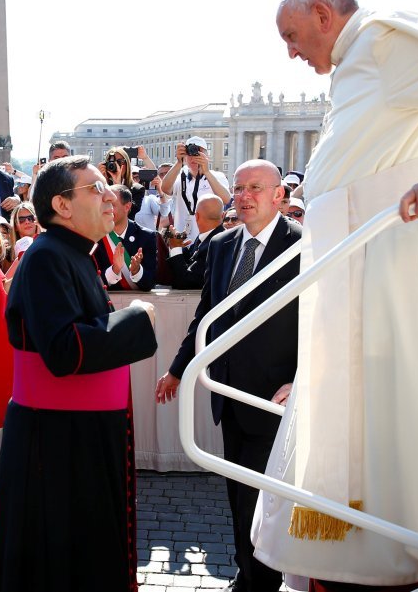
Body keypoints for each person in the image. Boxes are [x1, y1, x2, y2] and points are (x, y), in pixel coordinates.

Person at [251, 1, 418, 590]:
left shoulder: (379, 39)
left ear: (323, 14)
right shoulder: (355, 59)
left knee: (392, 401)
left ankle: (393, 551)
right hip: (353, 273)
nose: (290, 51)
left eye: (292, 35)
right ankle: (356, 548)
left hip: (389, 268)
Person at [0, 156, 157, 592]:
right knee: (60, 560)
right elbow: (64, 350)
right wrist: (137, 319)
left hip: (78, 434)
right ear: (62, 206)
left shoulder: (73, 253)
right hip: (58, 443)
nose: (110, 196)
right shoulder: (47, 257)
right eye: (96, 187)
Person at [156, 160, 302, 592]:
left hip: (275, 398)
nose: (244, 195)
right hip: (227, 394)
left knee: (262, 498)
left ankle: (261, 581)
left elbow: (322, 320)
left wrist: (302, 378)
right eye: (238, 187)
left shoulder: (304, 246)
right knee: (238, 496)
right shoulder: (221, 245)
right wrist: (178, 369)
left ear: (279, 195)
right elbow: (208, 317)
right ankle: (248, 572)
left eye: (255, 187)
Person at [161, 136, 232, 243]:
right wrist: (178, 163)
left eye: (198, 152)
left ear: (206, 155)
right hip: (182, 237)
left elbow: (226, 199)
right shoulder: (179, 175)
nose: (193, 157)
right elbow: (165, 189)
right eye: (190, 152)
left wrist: (206, 172)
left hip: (210, 239)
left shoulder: (217, 176)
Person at [92, 184, 158, 292]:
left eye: (112, 205)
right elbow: (91, 284)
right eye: (104, 204)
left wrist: (136, 271)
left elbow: (150, 283)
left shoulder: (146, 237)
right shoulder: (95, 236)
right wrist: (114, 271)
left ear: (127, 207)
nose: (107, 209)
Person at [166, 194, 225, 290]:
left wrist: (175, 248)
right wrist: (178, 246)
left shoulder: (215, 243)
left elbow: (184, 282)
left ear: (196, 216)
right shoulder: (206, 238)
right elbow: (189, 262)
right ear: (223, 215)